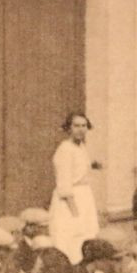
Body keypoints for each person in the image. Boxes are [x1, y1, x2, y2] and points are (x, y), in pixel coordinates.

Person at [51, 112, 103, 264]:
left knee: (87, 237)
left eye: (84, 126)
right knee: (73, 240)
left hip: (84, 198)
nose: (81, 129)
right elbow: (65, 184)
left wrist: (93, 165)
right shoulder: (65, 150)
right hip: (70, 201)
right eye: (76, 126)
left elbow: (78, 165)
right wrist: (75, 214)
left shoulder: (80, 147)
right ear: (68, 128)